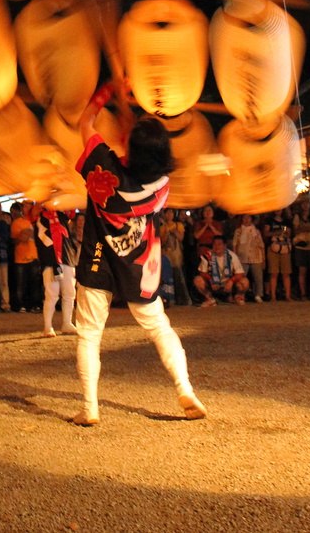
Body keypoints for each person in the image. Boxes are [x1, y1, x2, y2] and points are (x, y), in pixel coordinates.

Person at [73, 81, 206, 426]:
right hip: (139, 259)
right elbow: (138, 156)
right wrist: (128, 118)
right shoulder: (161, 185)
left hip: (99, 254)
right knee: (160, 328)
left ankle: (90, 408)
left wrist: (107, 91)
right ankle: (185, 388)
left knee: (90, 333)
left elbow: (85, 123)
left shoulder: (103, 168)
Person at [30, 203, 77, 337]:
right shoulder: (40, 217)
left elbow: (71, 210)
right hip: (50, 259)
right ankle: (48, 326)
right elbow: (33, 213)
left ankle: (67, 323)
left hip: (66, 257)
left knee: (69, 292)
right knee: (52, 294)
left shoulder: (62, 215)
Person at [194, 237, 250, 306]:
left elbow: (240, 273)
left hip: (228, 283)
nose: (217, 247)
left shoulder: (231, 256)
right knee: (198, 280)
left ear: (225, 245)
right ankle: (209, 298)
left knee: (245, 282)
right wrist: (211, 279)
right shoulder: (207, 256)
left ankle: (238, 296)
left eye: (219, 244)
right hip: (213, 284)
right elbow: (202, 272)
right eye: (215, 244)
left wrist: (231, 281)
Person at [158, 208, 192, 306]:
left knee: (179, 276)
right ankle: (170, 297)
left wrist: (174, 231)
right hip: (167, 254)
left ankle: (184, 299)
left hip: (176, 254)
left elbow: (181, 238)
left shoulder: (178, 225)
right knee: (168, 276)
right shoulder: (162, 227)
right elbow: (162, 241)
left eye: (171, 212)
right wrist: (167, 233)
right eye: (167, 213)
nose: (170, 214)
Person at [230, 214, 265, 302]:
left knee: (258, 277)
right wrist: (235, 259)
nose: (246, 219)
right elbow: (235, 245)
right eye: (244, 217)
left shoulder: (256, 231)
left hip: (256, 256)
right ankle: (241, 294)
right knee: (241, 277)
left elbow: (261, 245)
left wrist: (263, 259)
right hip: (242, 257)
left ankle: (258, 294)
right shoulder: (238, 231)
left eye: (248, 217)